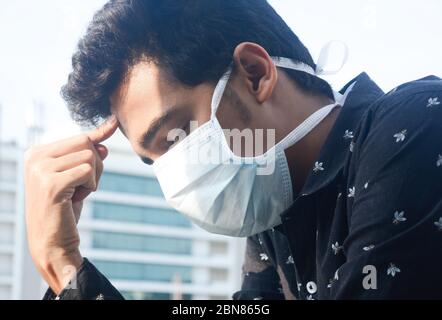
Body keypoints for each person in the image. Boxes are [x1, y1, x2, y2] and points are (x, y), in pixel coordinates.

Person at [24, 0, 442, 300]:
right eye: (154, 161)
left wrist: (67, 272)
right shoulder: (272, 217)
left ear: (256, 73)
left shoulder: (413, 127)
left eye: (174, 137)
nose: (176, 176)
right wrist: (67, 268)